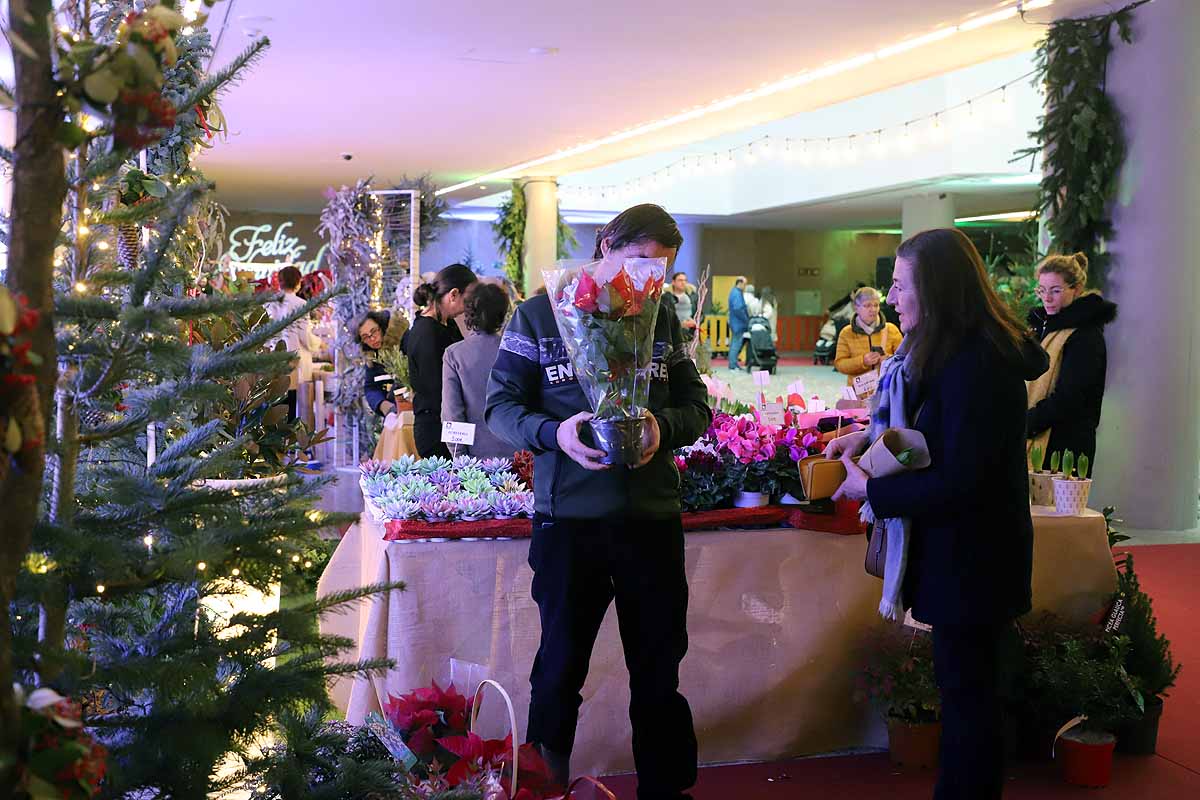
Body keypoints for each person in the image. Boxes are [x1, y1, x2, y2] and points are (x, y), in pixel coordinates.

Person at [486, 203, 710, 800]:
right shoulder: (538, 316)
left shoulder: (662, 319)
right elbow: (500, 408)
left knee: (658, 671)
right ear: (606, 247)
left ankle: (665, 788)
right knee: (558, 668)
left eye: (660, 269)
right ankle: (543, 788)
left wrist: (662, 429)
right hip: (569, 523)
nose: (648, 279)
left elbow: (697, 405)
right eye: (639, 263)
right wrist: (555, 435)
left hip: (652, 521)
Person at [829, 228, 1047, 800]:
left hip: (974, 559)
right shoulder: (953, 350)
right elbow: (926, 440)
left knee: (971, 705)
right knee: (964, 694)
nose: (893, 297)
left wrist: (872, 493)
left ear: (937, 288)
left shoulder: (979, 362)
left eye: (901, 285)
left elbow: (961, 479)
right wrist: (864, 444)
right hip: (962, 556)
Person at [1026, 252, 1116, 464]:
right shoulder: (1041, 328)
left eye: (1055, 291)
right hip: (1041, 435)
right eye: (1042, 290)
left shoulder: (1085, 336)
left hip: (1065, 444)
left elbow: (1070, 397)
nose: (1047, 298)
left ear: (1076, 289)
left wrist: (1025, 422)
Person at [401, 263, 478, 458]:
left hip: (450, 423)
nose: (470, 307)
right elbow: (437, 389)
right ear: (453, 294)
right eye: (468, 300)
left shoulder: (446, 323)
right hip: (437, 429)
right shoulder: (427, 333)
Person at [442, 281, 515, 460]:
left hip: (476, 458)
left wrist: (461, 461)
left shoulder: (454, 355)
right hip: (519, 455)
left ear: (468, 312)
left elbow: (452, 414)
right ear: (503, 314)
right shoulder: (515, 351)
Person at [265, 266, 323, 422]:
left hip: (274, 362)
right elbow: (305, 337)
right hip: (295, 362)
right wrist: (319, 343)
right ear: (298, 282)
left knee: (277, 407)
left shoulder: (270, 304)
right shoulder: (300, 304)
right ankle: (291, 443)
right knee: (294, 408)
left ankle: (276, 443)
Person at [834, 287, 903, 386]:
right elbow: (840, 364)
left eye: (876, 305)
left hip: (885, 391)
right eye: (867, 306)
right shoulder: (846, 333)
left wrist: (888, 360)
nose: (873, 310)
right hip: (857, 394)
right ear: (856, 308)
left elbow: (904, 360)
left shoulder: (891, 330)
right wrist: (863, 361)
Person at [357, 309, 408, 417]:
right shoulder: (372, 356)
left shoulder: (404, 340)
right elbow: (371, 387)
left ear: (382, 326)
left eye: (374, 331)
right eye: (366, 337)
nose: (372, 338)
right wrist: (383, 405)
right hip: (393, 413)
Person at [662, 271, 699, 340]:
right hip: (672, 334)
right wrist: (680, 324)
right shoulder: (666, 297)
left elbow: (700, 313)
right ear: (673, 282)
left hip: (690, 332)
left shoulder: (693, 296)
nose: (683, 282)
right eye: (680, 280)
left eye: (685, 280)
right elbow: (664, 317)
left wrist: (695, 322)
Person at [726, 276, 749, 370]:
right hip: (738, 323)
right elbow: (738, 308)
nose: (745, 286)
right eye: (745, 284)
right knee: (736, 344)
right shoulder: (736, 293)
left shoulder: (735, 292)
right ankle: (732, 365)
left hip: (736, 322)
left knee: (735, 343)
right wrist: (746, 319)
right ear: (740, 283)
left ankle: (734, 364)